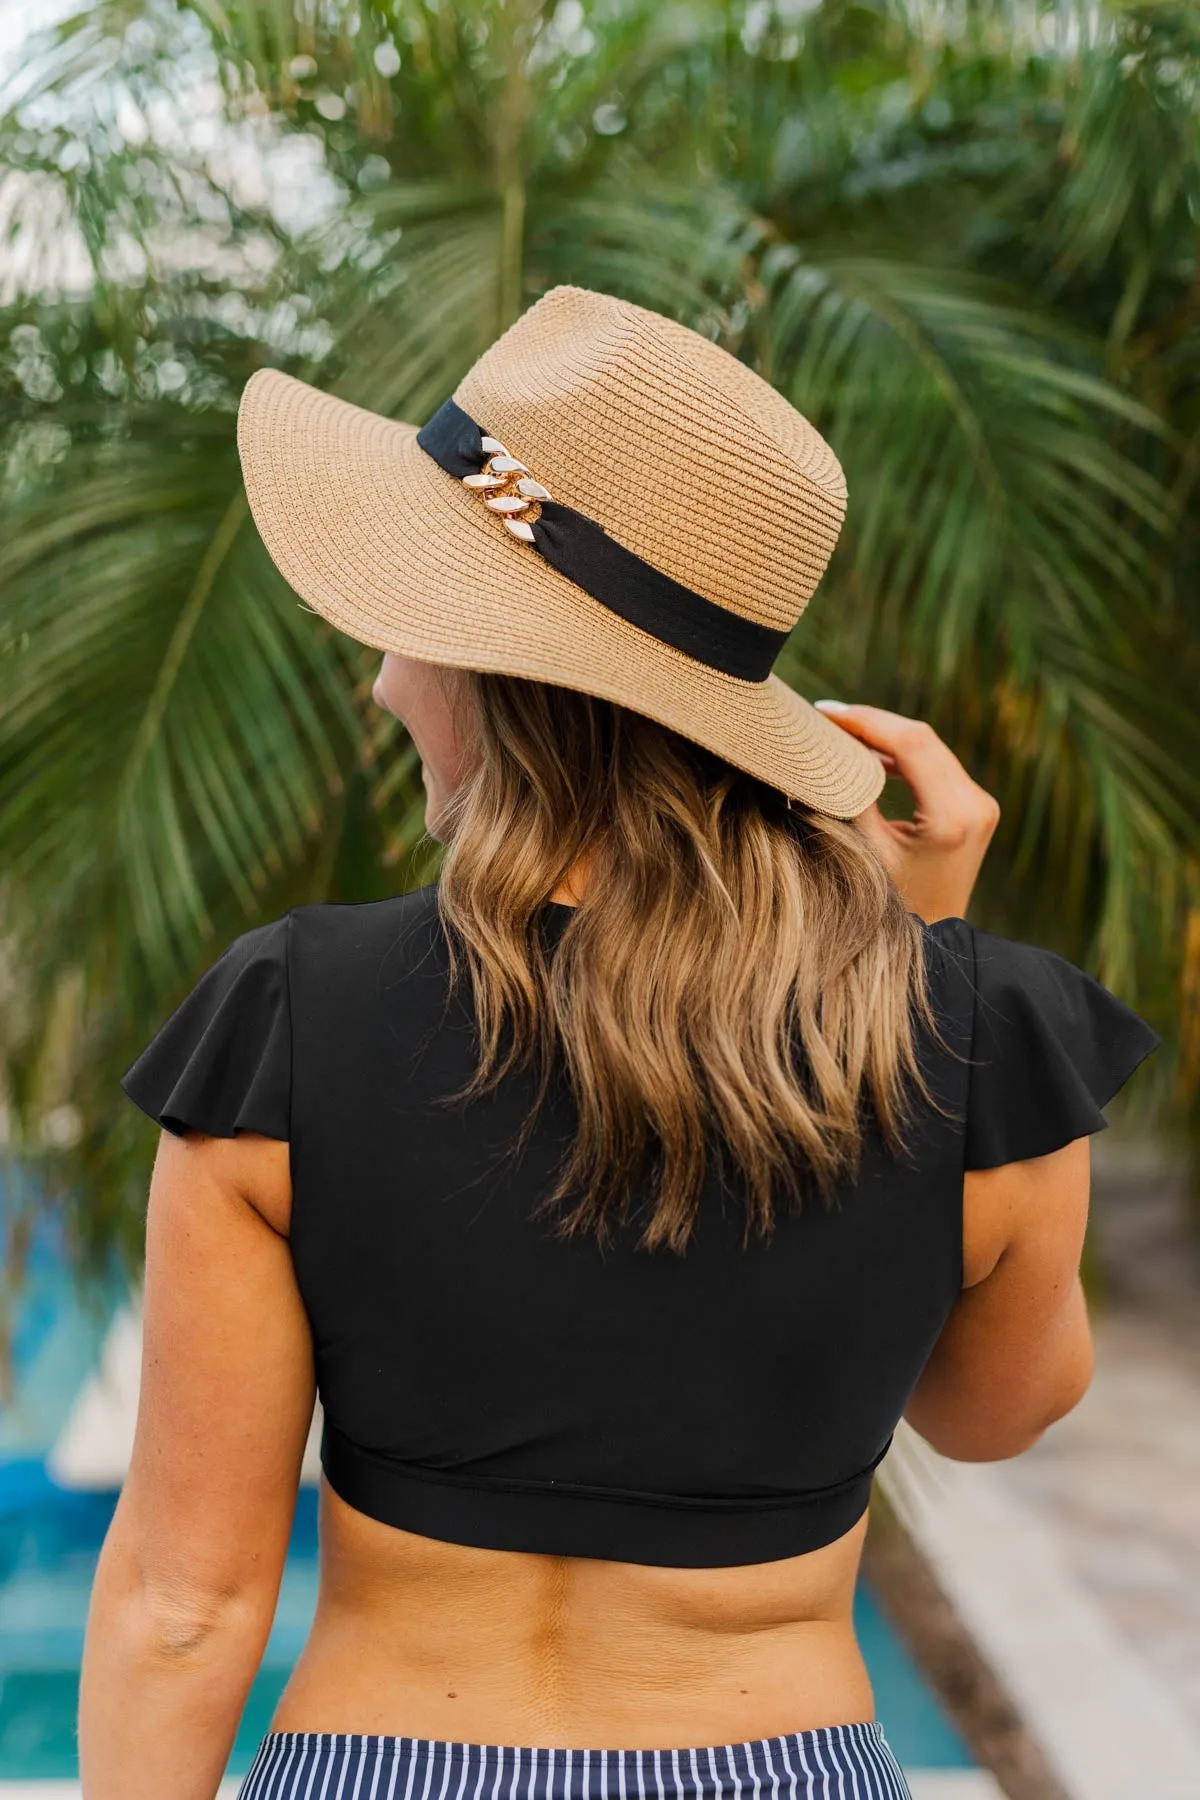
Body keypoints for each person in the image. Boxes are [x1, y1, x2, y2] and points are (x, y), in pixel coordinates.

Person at [79, 288, 1157, 1800]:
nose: (385, 683)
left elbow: (183, 1610)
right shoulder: (980, 1038)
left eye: (410, 633)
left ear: (504, 683)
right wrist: (917, 965)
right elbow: (989, 1412)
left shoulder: (289, 1022)